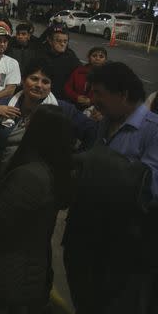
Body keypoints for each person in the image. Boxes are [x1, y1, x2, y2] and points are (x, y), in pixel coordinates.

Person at [0, 105, 75, 313]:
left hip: (7, 271)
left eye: (31, 121)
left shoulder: (30, 176)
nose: (25, 124)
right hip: (25, 269)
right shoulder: (52, 169)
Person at [63, 62, 158, 314]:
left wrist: (94, 165)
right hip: (84, 235)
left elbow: (149, 188)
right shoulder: (104, 123)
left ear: (123, 94)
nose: (93, 101)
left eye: (99, 94)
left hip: (121, 247)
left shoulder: (153, 131)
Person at [0, 60, 97, 184]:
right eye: (34, 79)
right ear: (23, 80)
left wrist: (72, 161)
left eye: (45, 82)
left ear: (51, 86)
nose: (39, 85)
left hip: (39, 186)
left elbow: (92, 131)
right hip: (1, 179)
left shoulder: (62, 110)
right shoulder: (5, 104)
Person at [39, 27, 80, 99]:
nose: (62, 44)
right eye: (58, 41)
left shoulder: (71, 57)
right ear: (50, 41)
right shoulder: (41, 55)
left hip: (63, 98)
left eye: (65, 41)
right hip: (43, 95)